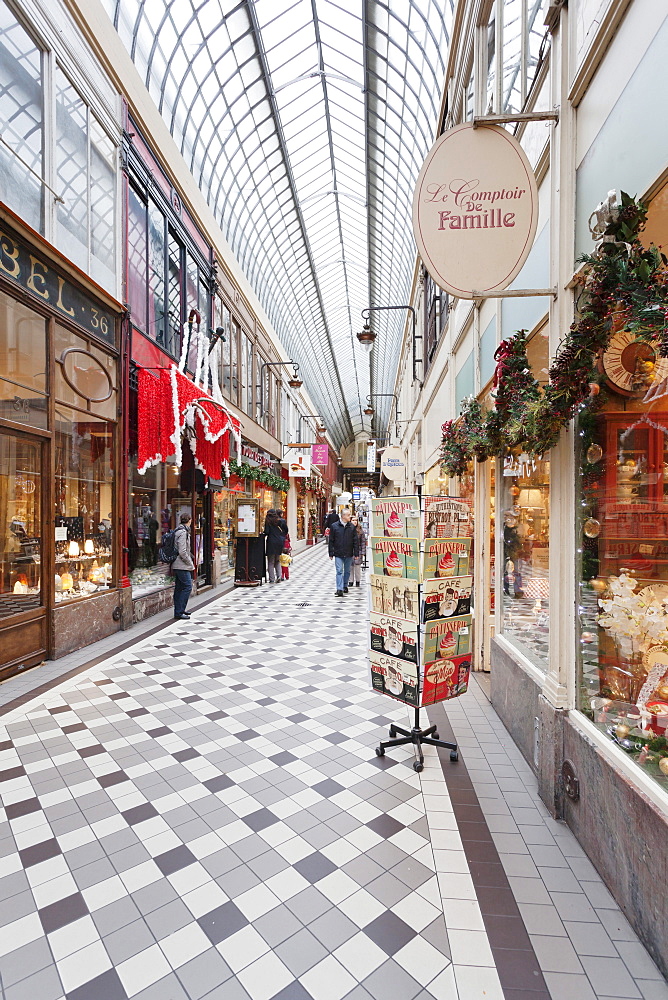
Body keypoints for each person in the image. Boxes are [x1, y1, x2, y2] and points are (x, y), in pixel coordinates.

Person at [328, 507, 358, 596]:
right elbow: (331, 540)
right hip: (338, 553)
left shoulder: (351, 527)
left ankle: (345, 586)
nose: (350, 517)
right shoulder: (334, 526)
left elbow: (355, 540)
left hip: (348, 552)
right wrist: (331, 553)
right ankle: (339, 589)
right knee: (339, 571)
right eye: (348, 515)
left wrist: (356, 553)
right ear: (343, 516)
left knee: (347, 571)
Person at [172, 513, 195, 620]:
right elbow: (182, 551)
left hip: (178, 564)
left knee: (180, 587)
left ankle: (180, 610)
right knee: (187, 587)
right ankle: (179, 611)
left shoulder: (179, 530)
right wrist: (190, 563)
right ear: (189, 520)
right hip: (181, 565)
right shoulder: (183, 532)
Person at [264, 510, 287, 583]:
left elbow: (267, 532)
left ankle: (272, 579)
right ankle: (279, 576)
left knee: (271, 561)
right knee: (277, 560)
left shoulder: (268, 521)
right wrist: (281, 536)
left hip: (271, 542)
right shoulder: (280, 521)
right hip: (279, 542)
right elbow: (286, 530)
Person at [348, 514, 367, 587]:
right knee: (350, 567)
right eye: (353, 520)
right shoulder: (348, 529)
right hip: (349, 551)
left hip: (358, 551)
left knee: (357, 567)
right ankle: (351, 581)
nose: (354, 522)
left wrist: (363, 552)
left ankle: (358, 581)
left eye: (356, 520)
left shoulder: (360, 531)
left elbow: (363, 542)